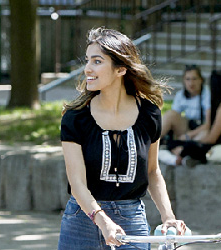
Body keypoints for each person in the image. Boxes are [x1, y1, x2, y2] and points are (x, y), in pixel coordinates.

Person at [58, 27, 187, 249]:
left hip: (132, 220)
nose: (88, 68)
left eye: (97, 61)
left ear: (121, 69)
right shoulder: (75, 117)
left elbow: (153, 172)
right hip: (82, 220)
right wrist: (102, 220)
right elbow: (77, 183)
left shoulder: (149, 114)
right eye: (87, 60)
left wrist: (168, 217)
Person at [165, 70, 221, 165]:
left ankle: (182, 156)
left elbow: (212, 138)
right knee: (179, 144)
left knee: (182, 146)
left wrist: (192, 142)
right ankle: (183, 156)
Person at [161, 65, 210, 145]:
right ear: (184, 81)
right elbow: (174, 116)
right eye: (188, 79)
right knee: (170, 114)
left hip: (202, 130)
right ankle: (153, 141)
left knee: (204, 135)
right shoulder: (180, 95)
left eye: (194, 79)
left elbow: (208, 124)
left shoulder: (207, 94)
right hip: (187, 127)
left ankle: (185, 148)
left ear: (201, 80)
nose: (191, 83)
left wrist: (188, 136)